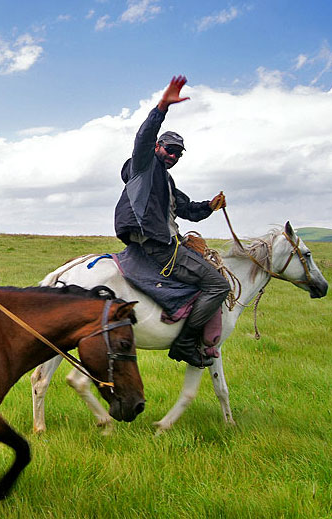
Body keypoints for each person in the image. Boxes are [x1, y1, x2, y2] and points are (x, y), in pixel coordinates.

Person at [114, 76, 230, 368]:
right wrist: (162, 107)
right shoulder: (143, 166)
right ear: (157, 147)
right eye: (169, 149)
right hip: (160, 247)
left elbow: (188, 209)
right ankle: (186, 343)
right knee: (218, 285)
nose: (173, 155)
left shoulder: (166, 180)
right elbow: (142, 138)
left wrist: (210, 207)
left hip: (164, 242)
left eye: (178, 153)